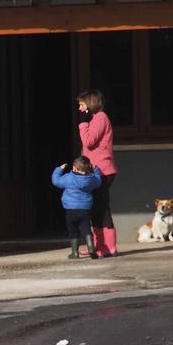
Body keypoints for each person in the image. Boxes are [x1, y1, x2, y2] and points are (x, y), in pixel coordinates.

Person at [77, 90, 118, 258]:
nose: (79, 108)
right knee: (96, 208)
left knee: (100, 208)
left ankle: (108, 246)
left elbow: (89, 141)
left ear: (89, 103)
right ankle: (96, 245)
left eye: (81, 104)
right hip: (95, 170)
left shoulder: (100, 118)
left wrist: (83, 124)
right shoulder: (96, 119)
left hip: (102, 170)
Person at [51, 157, 103, 260]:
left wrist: (59, 169)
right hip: (85, 209)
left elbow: (56, 181)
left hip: (70, 209)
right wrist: (96, 171)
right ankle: (91, 248)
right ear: (89, 167)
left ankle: (75, 253)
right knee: (86, 229)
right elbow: (99, 182)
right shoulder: (91, 179)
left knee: (73, 230)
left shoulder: (68, 178)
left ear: (74, 168)